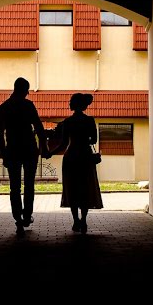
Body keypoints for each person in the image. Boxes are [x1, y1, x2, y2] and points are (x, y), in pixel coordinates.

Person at [0, 77, 51, 237]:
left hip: (13, 150)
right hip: (29, 150)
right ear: (25, 90)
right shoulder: (28, 105)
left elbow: (0, 134)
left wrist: (4, 153)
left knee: (14, 187)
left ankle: (18, 219)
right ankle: (27, 216)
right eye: (27, 90)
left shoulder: (4, 107)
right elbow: (39, 128)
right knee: (29, 185)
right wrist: (45, 148)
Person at [55, 93, 103, 234]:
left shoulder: (67, 122)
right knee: (85, 187)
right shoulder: (90, 120)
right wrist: (84, 139)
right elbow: (93, 140)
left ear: (74, 104)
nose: (68, 103)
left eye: (70, 101)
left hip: (71, 157)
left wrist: (50, 152)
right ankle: (83, 220)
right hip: (85, 156)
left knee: (73, 188)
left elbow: (63, 143)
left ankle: (76, 220)